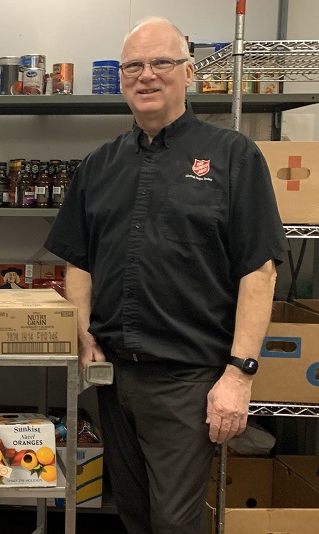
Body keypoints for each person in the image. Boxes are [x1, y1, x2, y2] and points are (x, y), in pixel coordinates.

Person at [44, 18, 287, 534]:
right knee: (130, 510)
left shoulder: (232, 156)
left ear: (189, 72)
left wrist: (239, 375)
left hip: (188, 379)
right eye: (134, 65)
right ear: (123, 77)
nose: (146, 76)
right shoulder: (100, 164)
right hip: (115, 378)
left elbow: (259, 270)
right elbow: (78, 261)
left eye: (161, 63)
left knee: (174, 522)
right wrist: (85, 334)